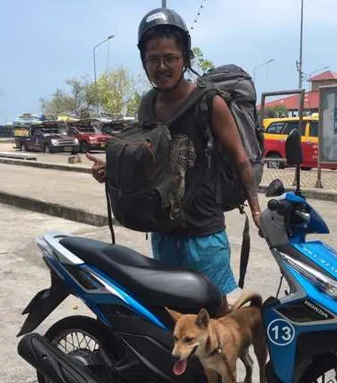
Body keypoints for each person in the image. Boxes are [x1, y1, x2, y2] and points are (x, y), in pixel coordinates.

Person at [86, 8, 261, 311]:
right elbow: (146, 161)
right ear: (144, 62)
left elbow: (240, 158)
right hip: (163, 232)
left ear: (185, 58)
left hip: (204, 236)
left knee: (218, 319)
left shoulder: (210, 102)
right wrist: (112, 172)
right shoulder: (147, 105)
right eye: (153, 59)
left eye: (170, 57)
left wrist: (257, 210)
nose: (162, 67)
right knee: (173, 318)